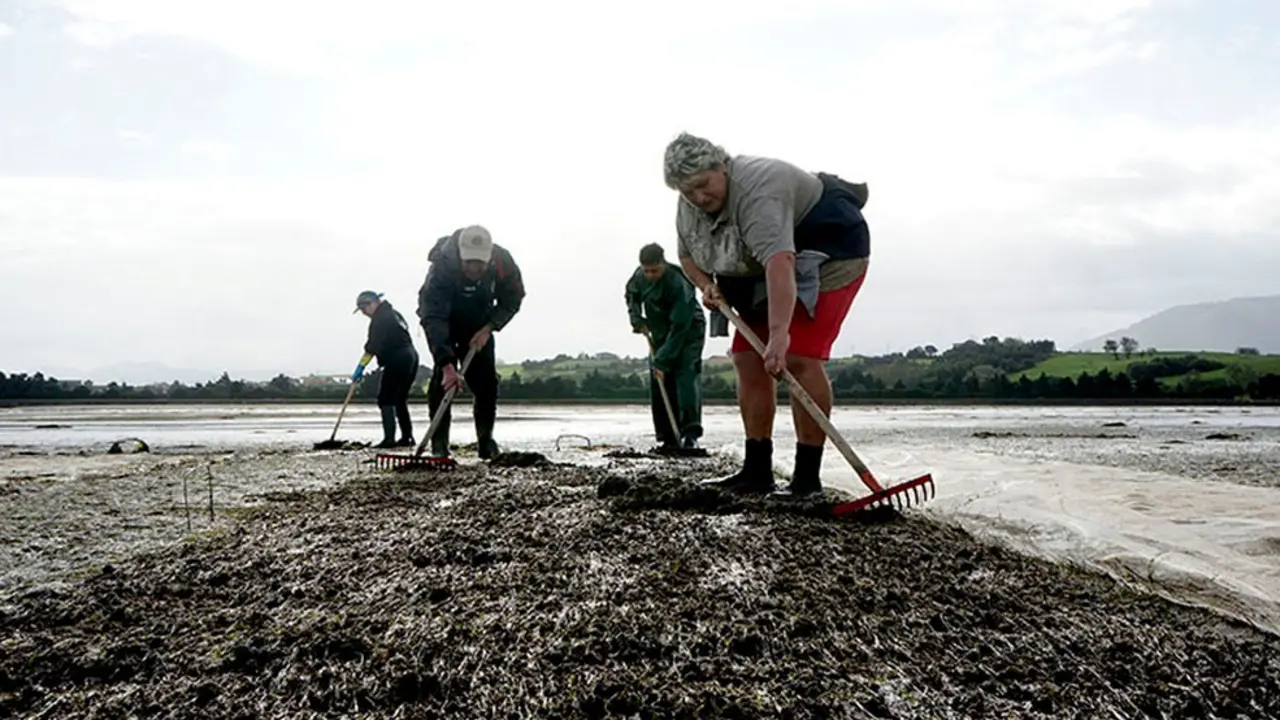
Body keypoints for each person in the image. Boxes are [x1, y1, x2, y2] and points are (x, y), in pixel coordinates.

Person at [662, 132, 871, 499]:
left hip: (831, 251)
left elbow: (780, 261)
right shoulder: (690, 204)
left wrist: (778, 335)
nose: (699, 197)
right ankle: (757, 471)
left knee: (798, 356)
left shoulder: (758, 190)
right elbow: (687, 257)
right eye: (687, 191)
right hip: (758, 268)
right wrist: (706, 285)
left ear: (722, 166)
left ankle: (807, 481)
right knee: (747, 357)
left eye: (704, 185)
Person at [417, 225, 525, 459]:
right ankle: (439, 445)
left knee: (487, 383)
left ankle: (486, 440)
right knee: (441, 383)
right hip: (445, 323)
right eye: (469, 263)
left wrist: (490, 327)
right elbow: (433, 316)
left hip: (480, 325)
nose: (474, 269)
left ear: (489, 257)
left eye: (480, 263)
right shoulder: (442, 267)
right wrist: (447, 366)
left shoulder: (503, 263)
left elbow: (513, 298)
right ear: (460, 256)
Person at [625, 242, 706, 450]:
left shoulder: (679, 283)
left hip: (688, 330)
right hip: (659, 329)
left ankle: (690, 434)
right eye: (646, 271)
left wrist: (663, 360)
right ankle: (668, 435)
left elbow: (680, 327)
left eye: (655, 271)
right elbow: (631, 294)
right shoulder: (639, 276)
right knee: (659, 379)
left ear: (663, 264)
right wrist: (636, 319)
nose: (650, 275)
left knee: (685, 375)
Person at [352, 290, 420, 449]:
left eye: (364, 308)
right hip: (411, 356)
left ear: (373, 303)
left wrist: (361, 367)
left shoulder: (380, 318)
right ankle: (407, 437)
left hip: (397, 359)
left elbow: (372, 347)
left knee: (385, 398)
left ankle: (389, 439)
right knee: (400, 399)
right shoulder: (394, 314)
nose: (363, 313)